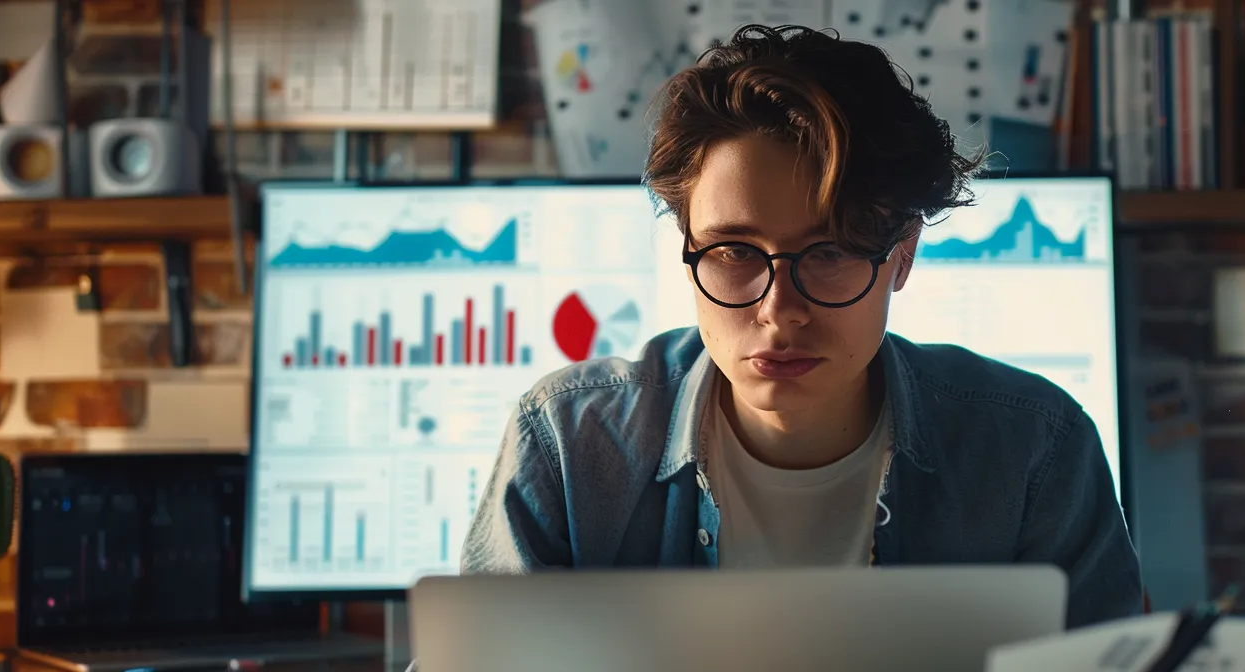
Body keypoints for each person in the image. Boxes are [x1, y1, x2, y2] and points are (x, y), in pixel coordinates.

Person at [460, 23, 1142, 628]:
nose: (779, 309)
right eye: (732, 252)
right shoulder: (569, 444)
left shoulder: (1034, 451)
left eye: (832, 252)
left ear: (902, 254)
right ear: (685, 244)